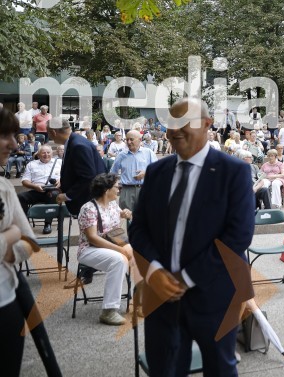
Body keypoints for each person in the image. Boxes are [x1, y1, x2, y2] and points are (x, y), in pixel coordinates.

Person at [129, 98, 254, 375]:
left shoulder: (234, 172)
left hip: (215, 297)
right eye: (172, 123)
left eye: (186, 122)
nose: (176, 130)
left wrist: (182, 279)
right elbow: (138, 228)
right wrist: (154, 272)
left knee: (219, 369)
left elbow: (237, 238)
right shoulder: (156, 172)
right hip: (160, 299)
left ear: (208, 125)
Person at [0, 107, 39, 374]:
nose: (14, 144)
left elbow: (29, 241)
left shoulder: (3, 189)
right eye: (4, 135)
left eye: (14, 135)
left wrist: (11, 241)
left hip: (5, 305)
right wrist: (9, 235)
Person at [77, 173, 134, 325]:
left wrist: (125, 213)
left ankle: (139, 301)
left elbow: (116, 218)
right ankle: (109, 311)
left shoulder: (112, 205)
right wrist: (119, 249)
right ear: (106, 190)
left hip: (111, 243)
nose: (119, 190)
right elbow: (93, 238)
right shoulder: (88, 208)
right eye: (117, 187)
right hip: (89, 249)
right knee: (119, 260)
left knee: (138, 254)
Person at [18, 145, 62, 234]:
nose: (46, 155)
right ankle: (25, 224)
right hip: (36, 189)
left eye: (48, 152)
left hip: (53, 190)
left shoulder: (60, 162)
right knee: (20, 197)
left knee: (53, 195)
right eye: (43, 153)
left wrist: (61, 180)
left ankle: (47, 224)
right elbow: (24, 181)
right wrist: (34, 186)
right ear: (38, 154)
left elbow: (69, 176)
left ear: (52, 153)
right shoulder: (31, 164)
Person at [111, 130, 157, 213]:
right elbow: (112, 173)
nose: (128, 142)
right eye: (127, 139)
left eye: (131, 139)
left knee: (145, 217)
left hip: (144, 189)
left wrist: (146, 173)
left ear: (140, 139)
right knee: (127, 219)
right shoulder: (121, 155)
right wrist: (116, 187)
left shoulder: (148, 153)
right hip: (127, 191)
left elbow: (158, 170)